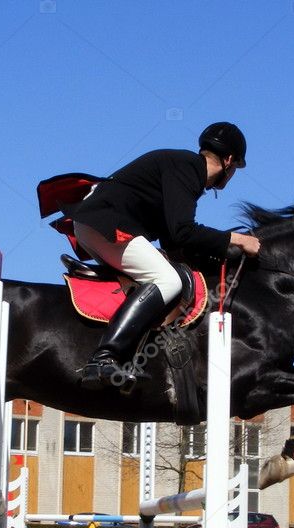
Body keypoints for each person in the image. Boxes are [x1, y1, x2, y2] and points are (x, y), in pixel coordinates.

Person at [63, 122, 261, 390]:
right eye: (236, 168)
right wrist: (237, 239)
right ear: (228, 161)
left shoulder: (182, 167)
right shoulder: (189, 169)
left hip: (96, 224)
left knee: (166, 272)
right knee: (168, 280)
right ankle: (104, 357)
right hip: (105, 223)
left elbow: (172, 239)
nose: (233, 173)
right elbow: (182, 232)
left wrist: (221, 255)